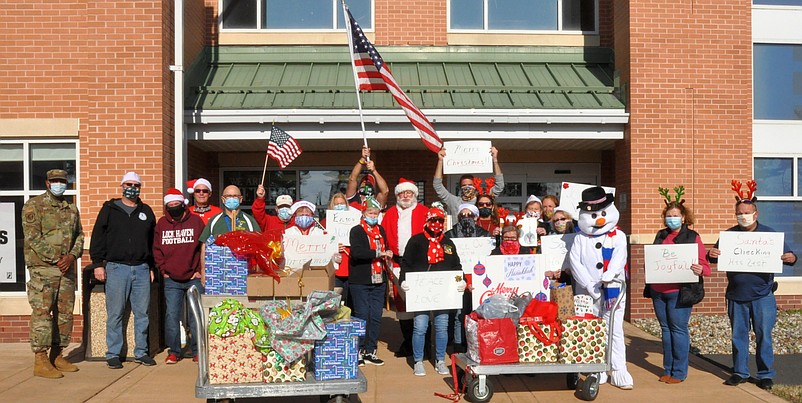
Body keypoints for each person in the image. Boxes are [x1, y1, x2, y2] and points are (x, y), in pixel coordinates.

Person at [708, 190, 797, 390]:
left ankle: (765, 374)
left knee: (764, 335)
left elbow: (790, 256)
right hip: (735, 296)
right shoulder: (729, 236)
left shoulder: (769, 235)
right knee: (738, 336)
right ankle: (740, 372)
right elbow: (714, 257)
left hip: (763, 295)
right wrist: (711, 254)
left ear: (755, 214)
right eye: (739, 213)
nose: (743, 216)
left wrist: (792, 257)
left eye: (747, 213)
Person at [90, 172, 157, 369]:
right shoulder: (109, 209)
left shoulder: (147, 211)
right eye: (129, 184)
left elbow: (152, 242)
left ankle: (141, 352)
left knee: (142, 313)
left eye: (136, 185)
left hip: (142, 269)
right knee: (115, 313)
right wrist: (98, 264)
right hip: (116, 268)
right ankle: (113, 353)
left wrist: (151, 267)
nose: (132, 188)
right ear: (122, 186)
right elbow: (97, 238)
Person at [22, 169, 84, 378]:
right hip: (43, 269)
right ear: (47, 183)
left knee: (64, 315)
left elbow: (80, 236)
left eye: (63, 181)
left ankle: (57, 355)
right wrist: (57, 258)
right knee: (42, 314)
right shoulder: (34, 206)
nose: (59, 184)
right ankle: (40, 359)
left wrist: (72, 257)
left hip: (65, 271)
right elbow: (33, 238)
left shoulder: (71, 209)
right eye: (55, 181)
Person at [569, 186, 633, 389]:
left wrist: (611, 273)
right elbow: (574, 262)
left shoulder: (618, 236)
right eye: (594, 215)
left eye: (603, 214)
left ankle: (618, 368)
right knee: (592, 329)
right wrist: (588, 284)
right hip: (587, 293)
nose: (599, 220)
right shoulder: (580, 239)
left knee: (614, 329)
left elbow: (619, 256)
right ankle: (597, 367)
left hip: (613, 289)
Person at [649, 199, 710, 384]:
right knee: (666, 330)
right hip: (659, 291)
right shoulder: (660, 235)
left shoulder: (692, 236)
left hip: (680, 291)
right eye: (669, 216)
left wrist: (700, 269)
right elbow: (653, 259)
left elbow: (706, 267)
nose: (672, 219)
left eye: (675, 216)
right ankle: (668, 368)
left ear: (683, 218)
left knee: (678, 329)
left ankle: (680, 372)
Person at [400, 208, 465, 377]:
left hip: (442, 293)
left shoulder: (448, 243)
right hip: (421, 292)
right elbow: (405, 263)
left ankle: (440, 360)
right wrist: (404, 281)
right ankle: (418, 360)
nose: (436, 224)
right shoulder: (416, 241)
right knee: (420, 326)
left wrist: (461, 281)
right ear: (427, 221)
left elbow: (456, 266)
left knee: (441, 327)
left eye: (440, 220)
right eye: (433, 220)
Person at [153, 188, 205, 365]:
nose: (174, 208)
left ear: (183, 204)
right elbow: (157, 249)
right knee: (172, 315)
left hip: (193, 277)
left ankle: (198, 350)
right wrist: (163, 270)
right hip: (172, 279)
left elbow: (203, 247)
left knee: (196, 315)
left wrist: (200, 270)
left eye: (177, 204)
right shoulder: (161, 224)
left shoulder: (196, 222)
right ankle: (174, 351)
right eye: (170, 205)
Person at [381, 178, 428, 357]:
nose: (405, 196)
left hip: (420, 264)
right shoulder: (391, 213)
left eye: (409, 193)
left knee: (422, 302)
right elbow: (383, 236)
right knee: (402, 304)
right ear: (398, 195)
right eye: (402, 193)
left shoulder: (424, 211)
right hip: (398, 264)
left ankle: (424, 345)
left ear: (415, 194)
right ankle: (408, 343)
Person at [348, 197, 393, 367]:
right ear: (363, 213)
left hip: (378, 279)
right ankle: (358, 350)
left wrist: (387, 252)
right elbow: (357, 253)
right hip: (360, 280)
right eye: (370, 212)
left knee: (375, 316)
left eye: (376, 213)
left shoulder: (380, 230)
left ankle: (370, 350)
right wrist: (378, 253)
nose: (373, 215)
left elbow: (386, 247)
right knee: (361, 315)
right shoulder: (357, 231)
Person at [444, 203, 490, 352]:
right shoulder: (449, 235)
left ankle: (478, 345)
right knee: (459, 314)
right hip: (458, 278)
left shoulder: (484, 235)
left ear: (476, 217)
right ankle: (459, 346)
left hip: (479, 279)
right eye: (462, 215)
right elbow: (447, 259)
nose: (466, 218)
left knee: (478, 313)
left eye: (469, 215)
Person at [433, 146, 504, 219]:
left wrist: (495, 160)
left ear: (475, 186)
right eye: (464, 185)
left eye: (470, 185)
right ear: (460, 187)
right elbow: (437, 185)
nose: (467, 187)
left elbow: (499, 186)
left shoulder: (481, 201)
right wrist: (440, 161)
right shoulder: (454, 202)